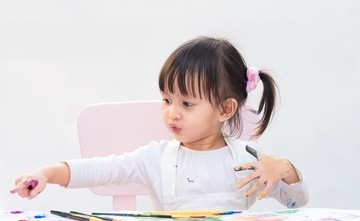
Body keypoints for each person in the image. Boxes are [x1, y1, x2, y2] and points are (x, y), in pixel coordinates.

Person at [10, 36, 308, 210]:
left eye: (187, 103)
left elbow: (298, 203)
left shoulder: (247, 160)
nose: (172, 113)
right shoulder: (156, 158)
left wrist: (284, 168)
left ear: (225, 109)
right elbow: (101, 169)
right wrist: (47, 172)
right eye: (167, 100)